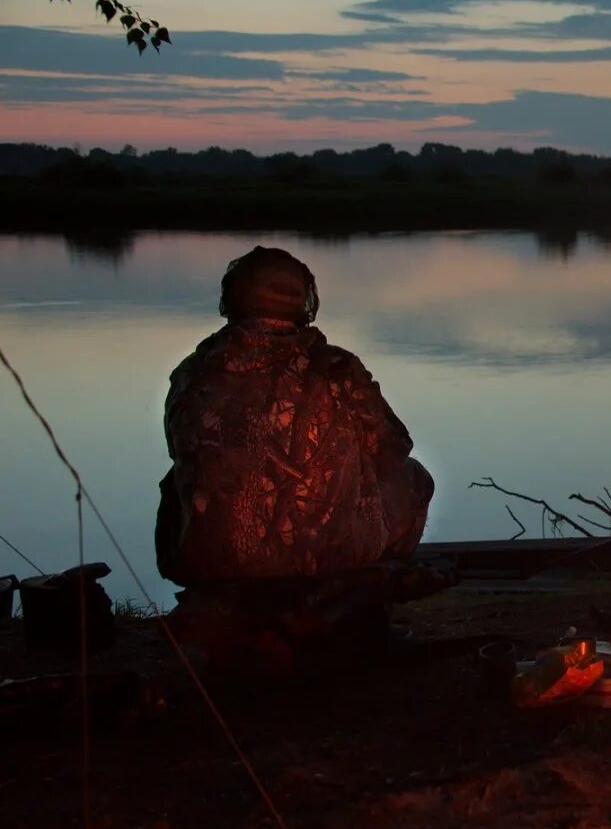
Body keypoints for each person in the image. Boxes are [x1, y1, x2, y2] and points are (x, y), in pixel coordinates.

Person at [156, 247, 437, 668]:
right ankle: (359, 602)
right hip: (325, 555)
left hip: (214, 559)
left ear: (232, 300)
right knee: (415, 479)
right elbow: (393, 449)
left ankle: (228, 600)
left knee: (176, 482)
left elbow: (180, 450)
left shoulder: (194, 372)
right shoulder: (336, 367)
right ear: (305, 304)